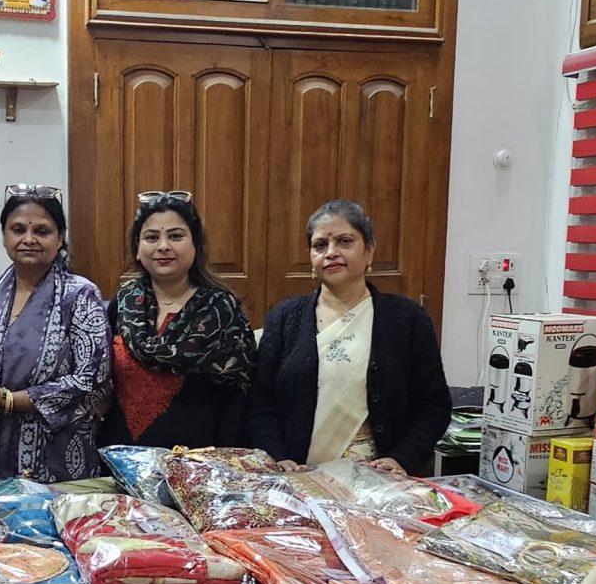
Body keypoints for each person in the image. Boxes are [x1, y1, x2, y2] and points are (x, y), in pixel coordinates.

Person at [246, 200, 450, 476]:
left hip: (381, 479)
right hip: (298, 477)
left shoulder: (407, 318)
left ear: (369, 251)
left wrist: (401, 458)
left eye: (345, 241)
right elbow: (259, 404)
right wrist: (278, 458)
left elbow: (433, 405)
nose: (331, 252)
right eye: (320, 245)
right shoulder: (284, 318)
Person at [0, 186, 111, 485]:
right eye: (18, 229)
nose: (29, 239)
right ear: (4, 236)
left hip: (52, 460)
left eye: (41, 231)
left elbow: (91, 380)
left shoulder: (79, 295)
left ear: (60, 239)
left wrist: (9, 401)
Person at [101, 193, 255, 449]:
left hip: (198, 460)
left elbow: (237, 399)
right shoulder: (123, 303)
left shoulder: (220, 310)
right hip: (119, 458)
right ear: (137, 248)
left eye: (175, 236)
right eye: (152, 237)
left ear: (196, 245)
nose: (163, 246)